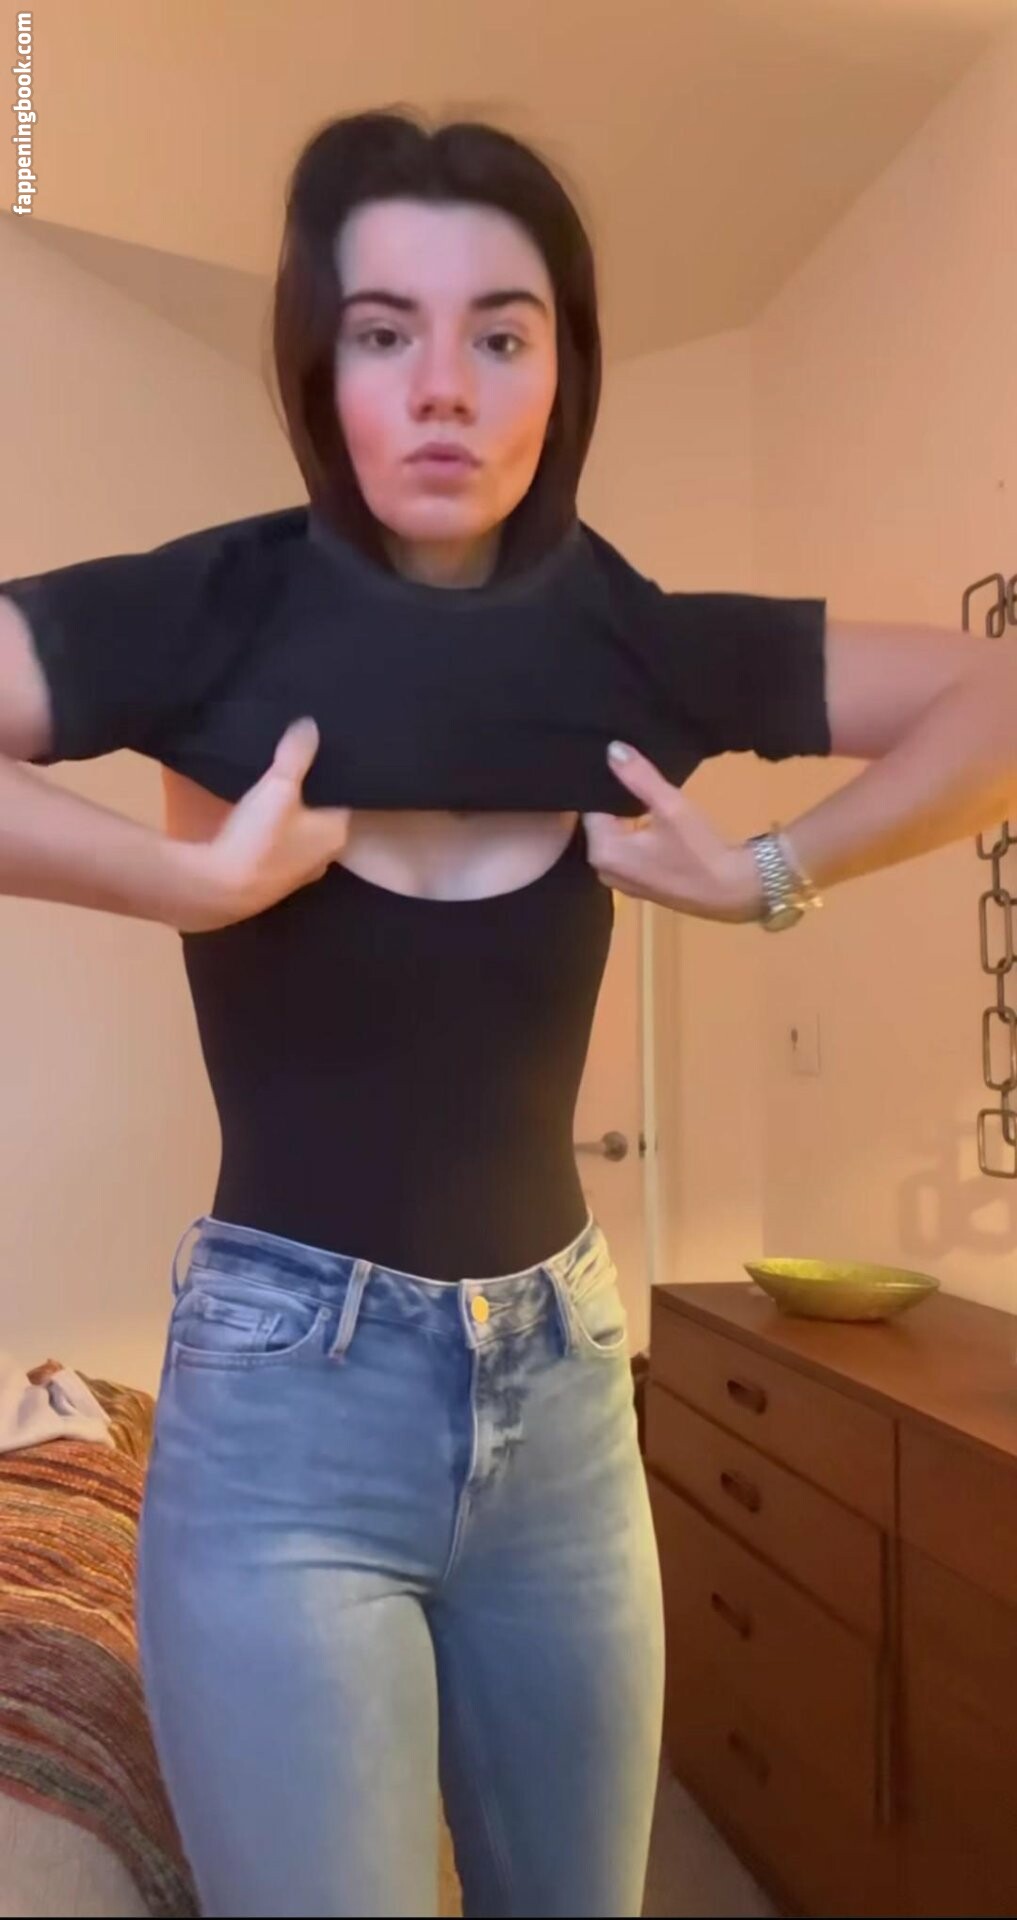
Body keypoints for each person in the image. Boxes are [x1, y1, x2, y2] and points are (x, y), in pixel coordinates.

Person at [1, 109, 1015, 1920]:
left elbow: (995, 693)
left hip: (564, 1403)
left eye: (501, 331)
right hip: (284, 1418)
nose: (442, 386)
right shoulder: (212, 612)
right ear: (320, 365)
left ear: (565, 368)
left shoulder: (623, 640)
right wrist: (183, 882)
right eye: (383, 330)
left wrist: (768, 871)